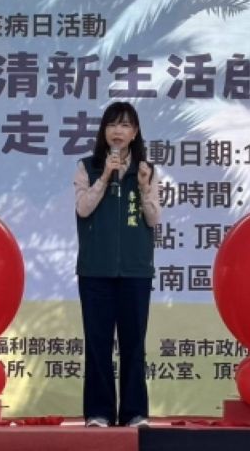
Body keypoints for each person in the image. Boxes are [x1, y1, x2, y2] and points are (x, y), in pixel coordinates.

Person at [73, 101, 162, 427]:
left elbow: (153, 219)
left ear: (135, 132)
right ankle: (99, 412)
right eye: (112, 125)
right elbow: (83, 208)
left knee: (133, 344)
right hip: (95, 270)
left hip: (136, 270)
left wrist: (144, 186)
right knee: (98, 343)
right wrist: (105, 176)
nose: (118, 131)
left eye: (125, 125)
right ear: (104, 131)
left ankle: (134, 412)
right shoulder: (88, 166)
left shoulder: (146, 170)